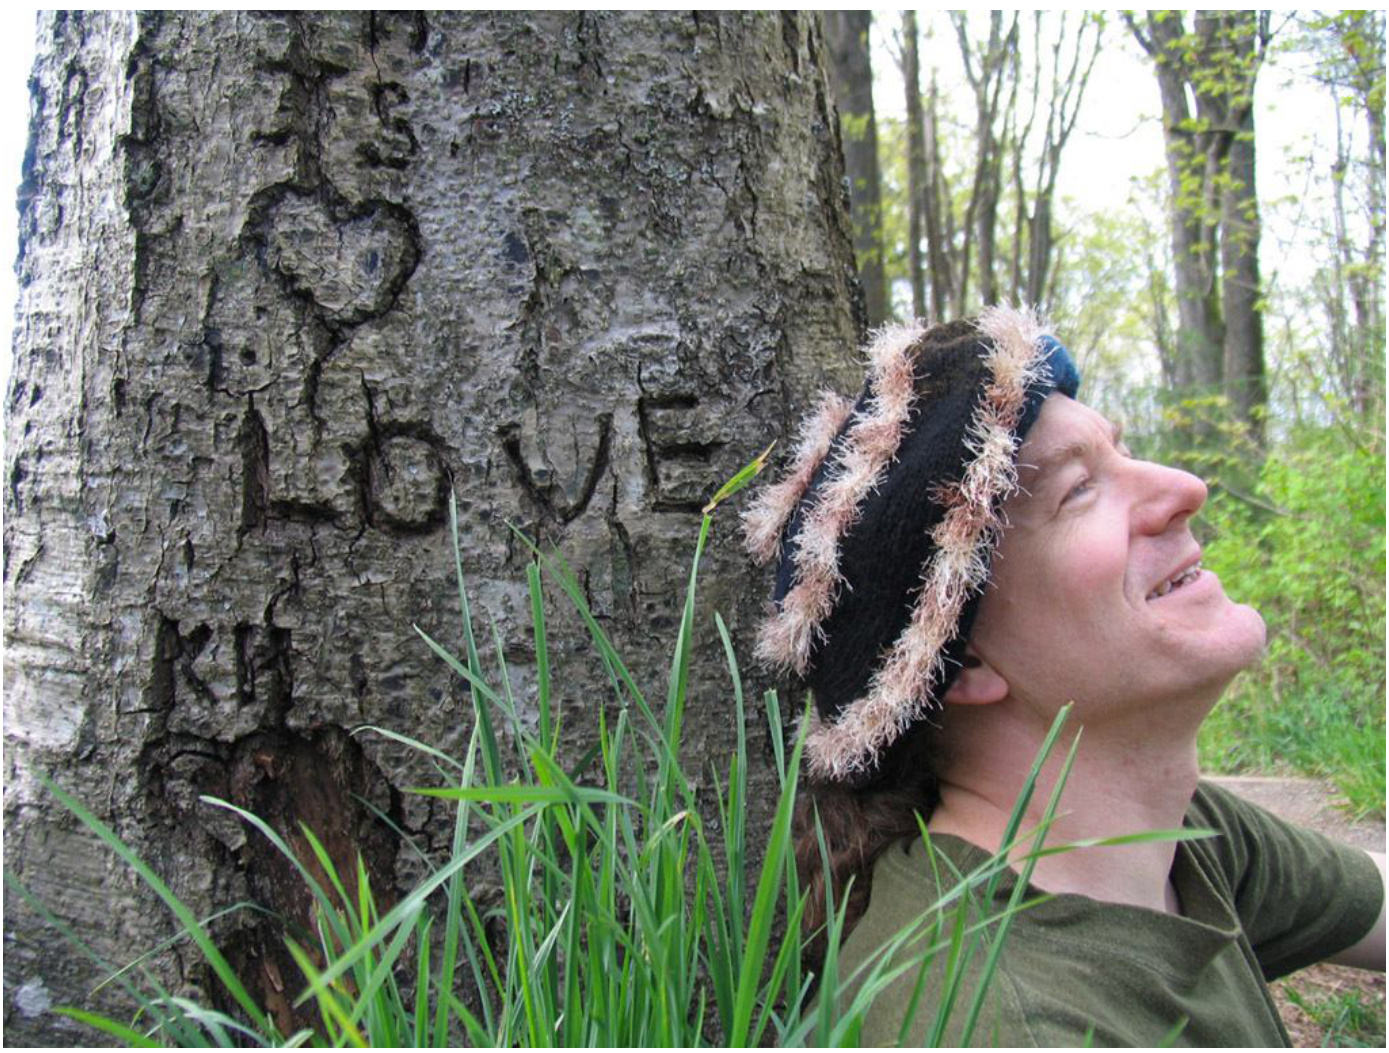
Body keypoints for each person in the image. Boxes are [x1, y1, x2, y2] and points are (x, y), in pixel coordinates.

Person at [741, 308, 1385, 1046]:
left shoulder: (1172, 843)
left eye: (1123, 453)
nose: (1184, 486)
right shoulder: (1003, 1019)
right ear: (959, 662)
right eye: (1079, 490)